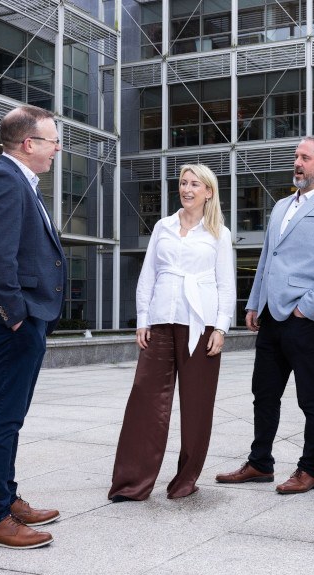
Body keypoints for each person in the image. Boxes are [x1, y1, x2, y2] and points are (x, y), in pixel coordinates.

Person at [215, 137, 314, 494]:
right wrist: (252, 304)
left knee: (311, 398)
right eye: (296, 157)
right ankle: (260, 463)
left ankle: (311, 469)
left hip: (306, 320)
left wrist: (304, 309)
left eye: (305, 157)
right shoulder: (280, 207)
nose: (297, 163)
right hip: (271, 318)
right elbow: (267, 260)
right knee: (264, 393)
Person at [0, 105, 67, 549]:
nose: (57, 149)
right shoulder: (4, 180)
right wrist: (16, 316)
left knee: (11, 416)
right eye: (52, 141)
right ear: (29, 144)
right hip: (13, 322)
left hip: (24, 318)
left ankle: (6, 499)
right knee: (3, 419)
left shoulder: (20, 182)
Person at [109, 164, 235, 502]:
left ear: (209, 191)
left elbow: (226, 284)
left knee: (197, 405)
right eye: (183, 183)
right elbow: (148, 276)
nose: (187, 188)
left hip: (201, 325)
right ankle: (131, 483)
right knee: (145, 401)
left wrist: (221, 327)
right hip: (161, 322)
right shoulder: (163, 227)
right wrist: (142, 320)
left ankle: (185, 479)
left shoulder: (219, 234)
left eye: (195, 184)